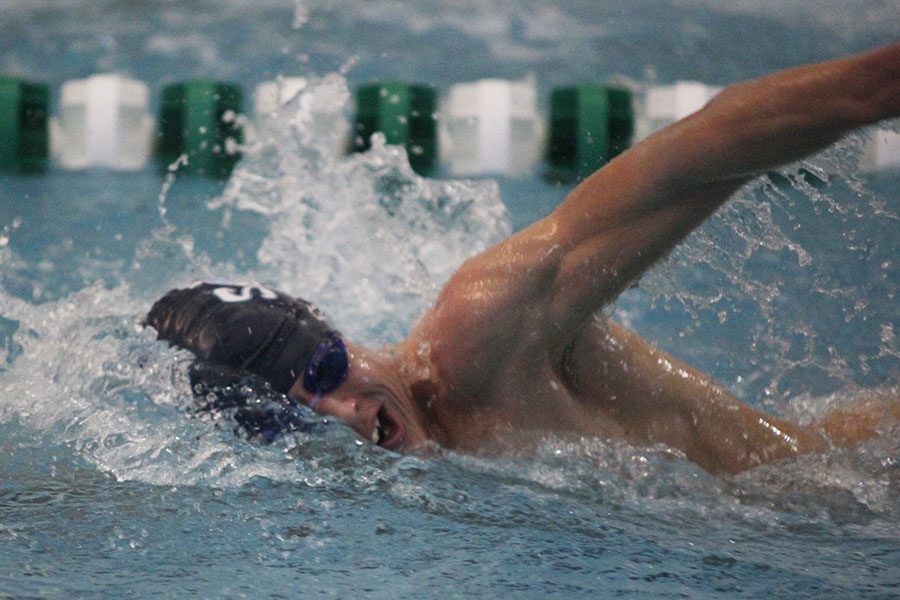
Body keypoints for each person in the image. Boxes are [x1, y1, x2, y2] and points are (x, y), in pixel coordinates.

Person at [148, 43, 900, 475]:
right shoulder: (408, 475)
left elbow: (699, 153)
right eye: (288, 417)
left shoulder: (479, 336)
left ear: (336, 331)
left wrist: (871, 89)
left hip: (854, 481)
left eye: (321, 372)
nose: (344, 415)